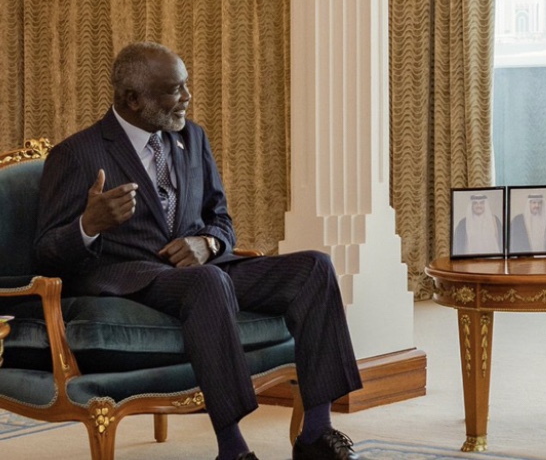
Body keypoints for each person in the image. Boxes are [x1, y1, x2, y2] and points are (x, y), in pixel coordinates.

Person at [33, 42, 363, 460]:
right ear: (132, 99)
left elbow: (221, 219)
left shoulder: (192, 137)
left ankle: (316, 434)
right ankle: (233, 449)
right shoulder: (77, 154)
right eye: (174, 90)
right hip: (135, 280)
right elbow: (45, 251)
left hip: (205, 270)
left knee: (315, 267)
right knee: (208, 282)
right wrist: (88, 225)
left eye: (185, 85)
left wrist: (207, 244)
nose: (187, 97)